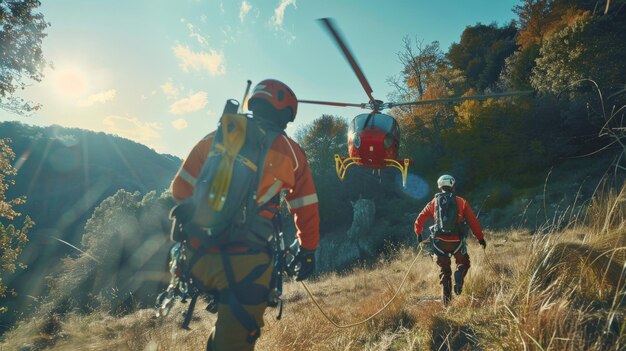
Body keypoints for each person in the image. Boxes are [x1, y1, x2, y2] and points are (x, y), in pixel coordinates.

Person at [170, 79, 320, 350]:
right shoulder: (291, 151)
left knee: (225, 337)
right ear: (285, 113)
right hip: (246, 263)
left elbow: (180, 189)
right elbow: (305, 206)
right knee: (235, 341)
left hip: (199, 256)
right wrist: (308, 250)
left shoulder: (218, 136)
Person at [413, 174, 486, 305]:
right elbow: (473, 222)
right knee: (464, 262)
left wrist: (419, 234)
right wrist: (480, 239)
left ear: (440, 186)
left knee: (445, 272)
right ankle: (459, 271)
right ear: (452, 185)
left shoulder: (433, 203)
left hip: (439, 244)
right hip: (457, 242)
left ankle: (446, 304)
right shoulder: (462, 202)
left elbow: (420, 219)